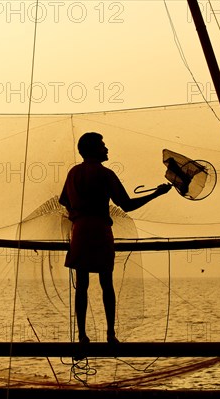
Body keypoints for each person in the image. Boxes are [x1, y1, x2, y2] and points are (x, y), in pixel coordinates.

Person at [59, 132, 171, 344]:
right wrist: (156, 194)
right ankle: (110, 334)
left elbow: (64, 200)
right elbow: (127, 205)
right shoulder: (105, 174)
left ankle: (82, 335)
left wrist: (77, 214)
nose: (106, 149)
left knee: (81, 285)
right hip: (100, 230)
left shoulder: (73, 172)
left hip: (80, 230)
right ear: (94, 149)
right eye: (103, 145)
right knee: (106, 283)